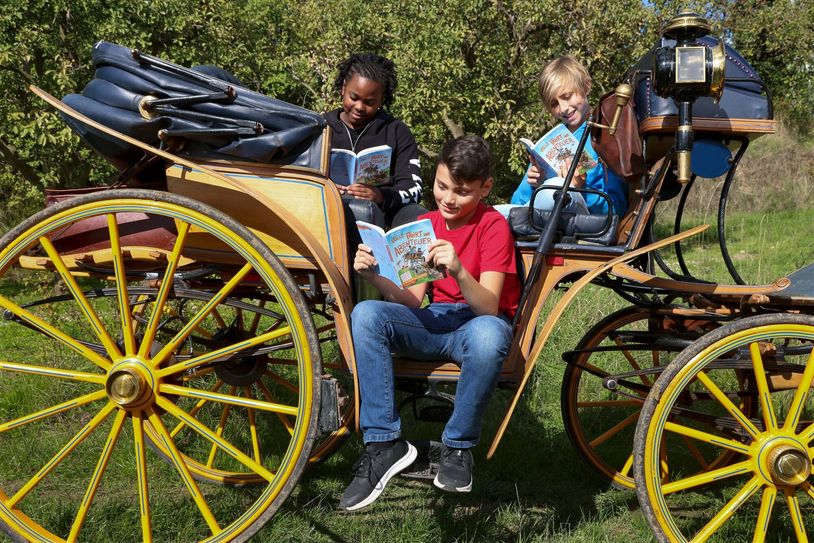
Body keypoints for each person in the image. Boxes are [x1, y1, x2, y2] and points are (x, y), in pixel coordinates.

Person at [339, 135, 520, 511]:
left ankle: (457, 450)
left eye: (461, 191)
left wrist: (457, 269)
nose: (448, 199)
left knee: (489, 336)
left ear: (485, 188)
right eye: (441, 187)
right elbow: (413, 299)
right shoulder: (426, 223)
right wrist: (375, 277)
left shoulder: (493, 227)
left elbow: (488, 308)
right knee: (367, 314)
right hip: (434, 321)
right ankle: (383, 444)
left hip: (477, 326)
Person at [497, 55, 627, 218]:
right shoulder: (552, 142)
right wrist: (534, 186)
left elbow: (617, 209)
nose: (563, 108)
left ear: (586, 86)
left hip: (587, 223)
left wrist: (581, 187)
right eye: (554, 104)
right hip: (545, 218)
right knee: (492, 214)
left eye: (567, 97)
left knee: (555, 187)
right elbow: (516, 203)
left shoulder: (603, 135)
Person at [325, 53, 425, 236]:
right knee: (358, 209)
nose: (360, 107)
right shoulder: (322, 127)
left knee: (419, 217)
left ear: (381, 100)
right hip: (330, 209)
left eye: (370, 102)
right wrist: (329, 188)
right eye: (353, 97)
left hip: (385, 213)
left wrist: (381, 196)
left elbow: (415, 189)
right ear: (342, 88)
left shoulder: (396, 131)